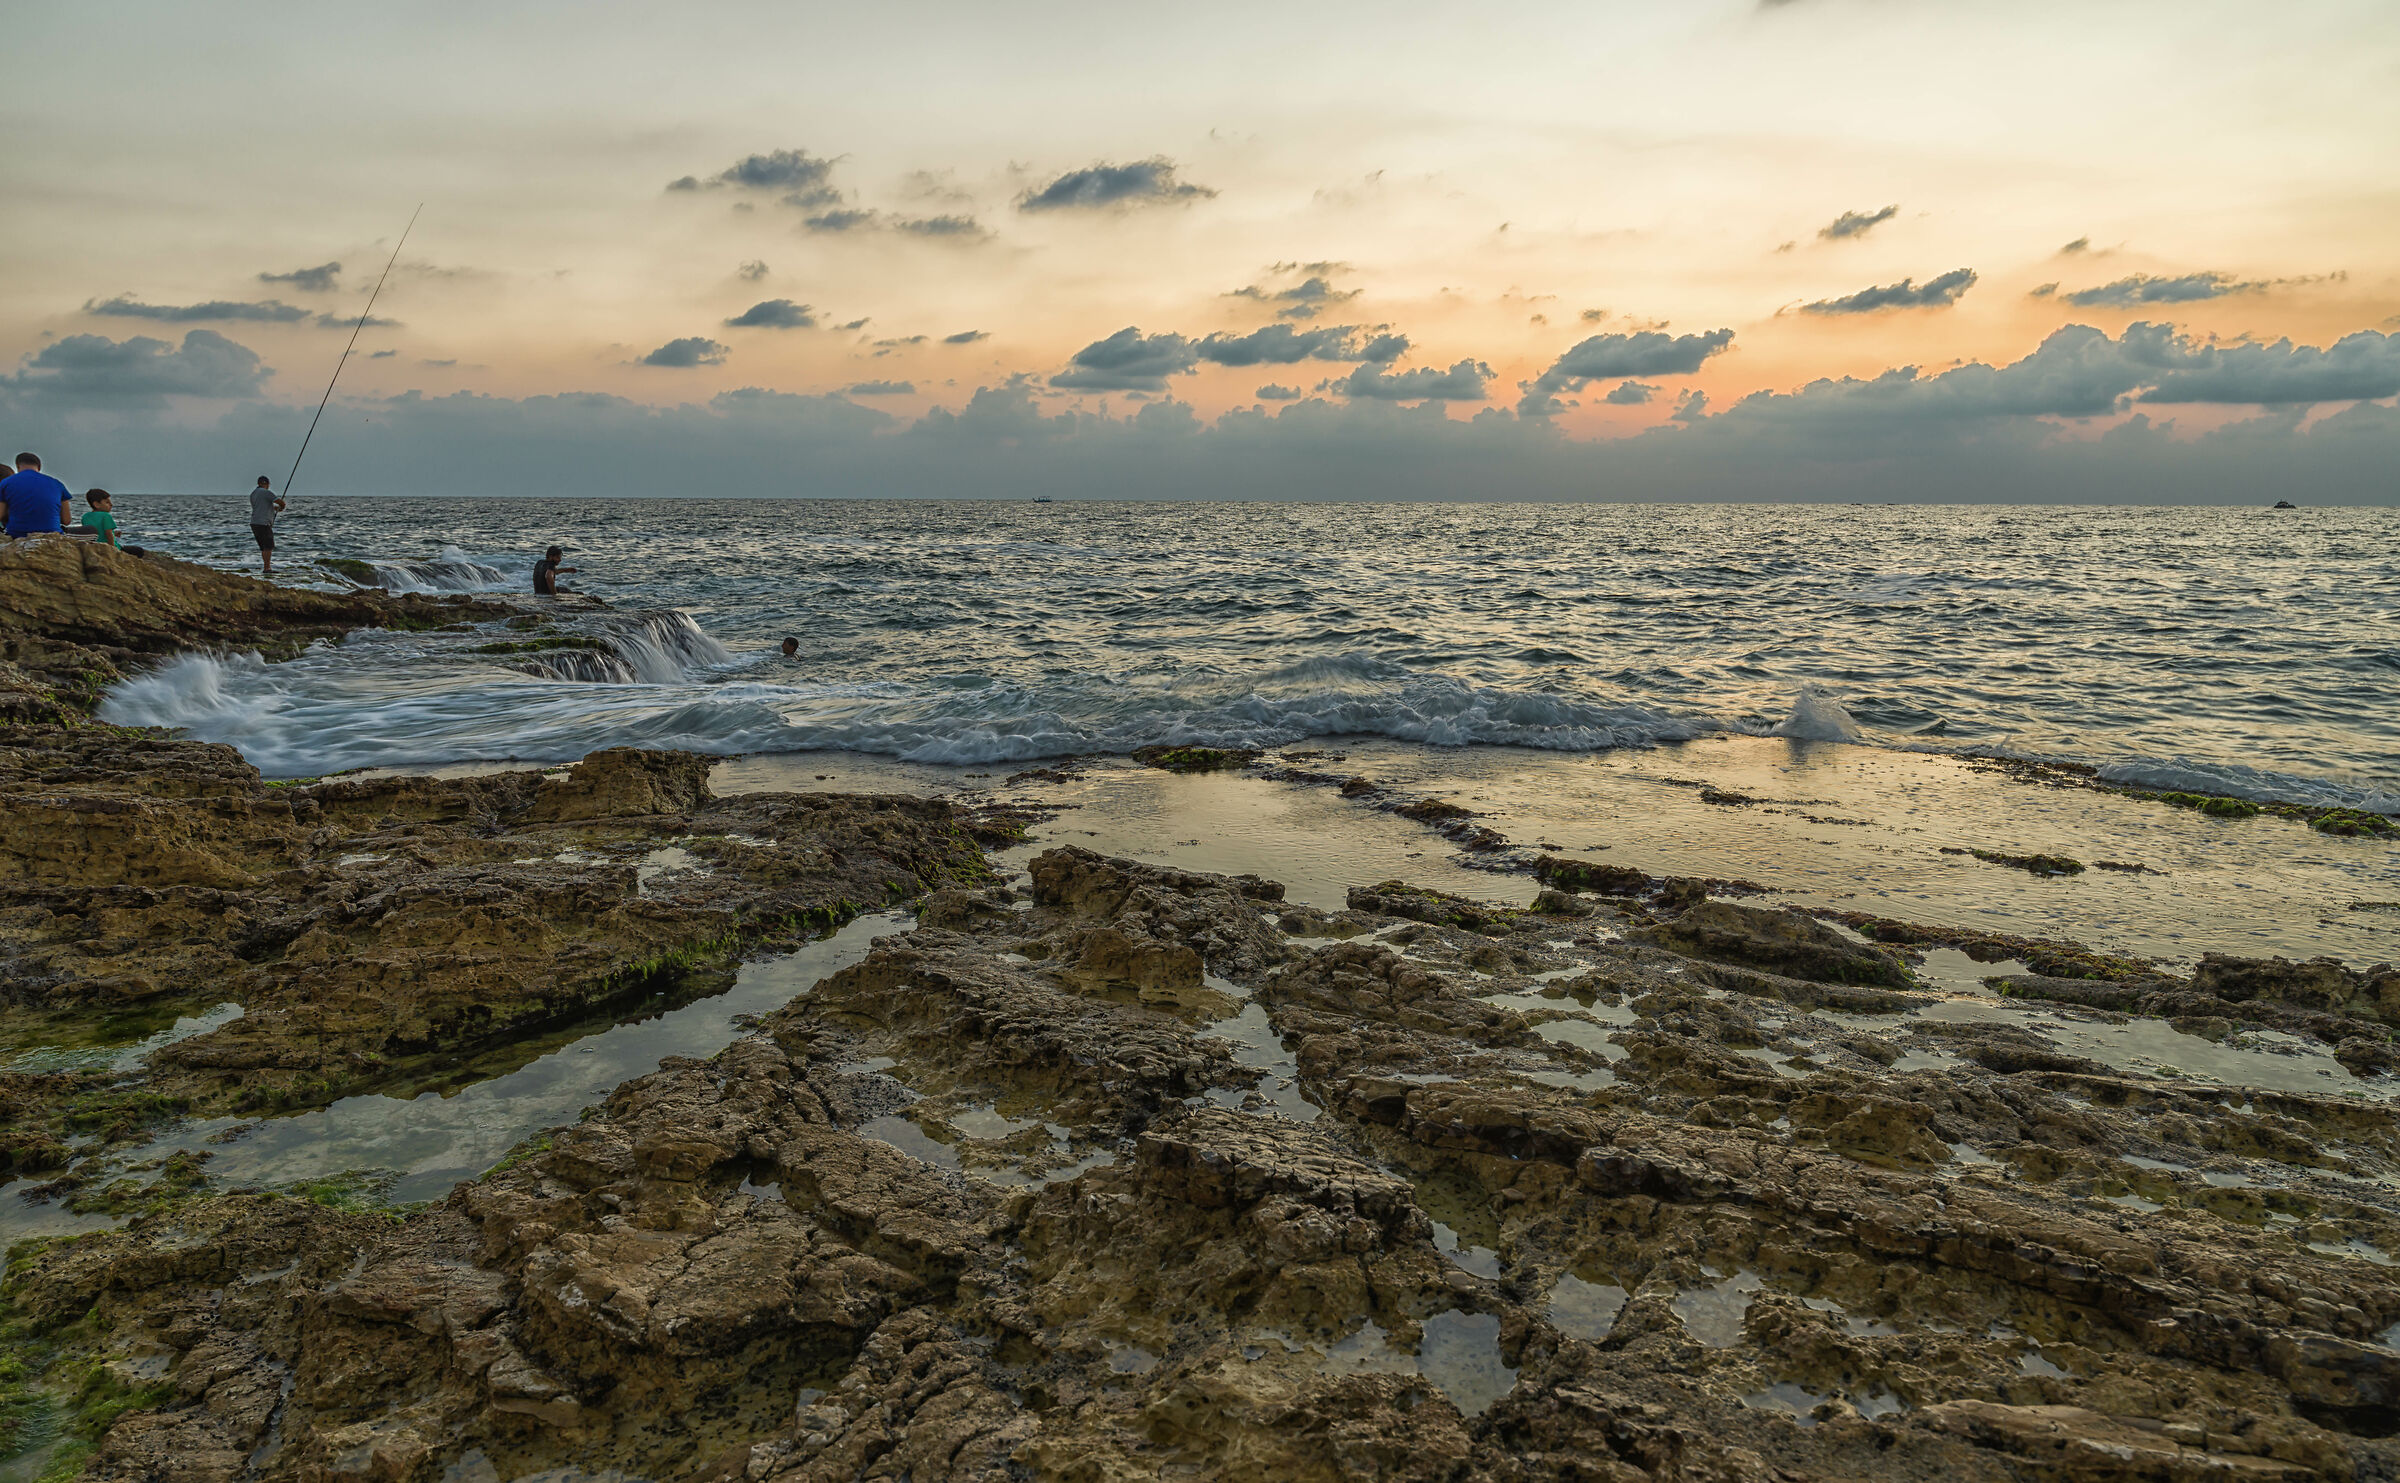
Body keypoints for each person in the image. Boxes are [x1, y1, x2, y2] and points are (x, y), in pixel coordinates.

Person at [2, 453, 70, 538]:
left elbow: (1, 514)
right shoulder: (58, 484)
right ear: (39, 467)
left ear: (18, 466)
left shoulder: (5, 483)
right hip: (52, 536)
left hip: (17, 535)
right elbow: (66, 520)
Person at [248, 475, 285, 577]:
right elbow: (281, 502)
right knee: (268, 546)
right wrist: (282, 506)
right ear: (266, 484)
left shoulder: (253, 494)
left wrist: (275, 508)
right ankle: (267, 568)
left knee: (264, 547)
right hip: (263, 523)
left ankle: (266, 567)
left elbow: (262, 506)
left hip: (254, 523)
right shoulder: (266, 492)